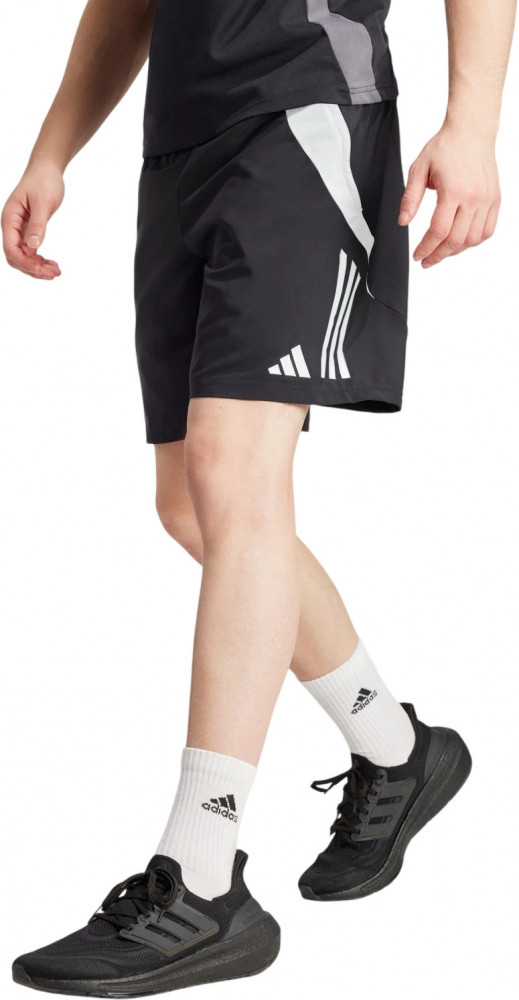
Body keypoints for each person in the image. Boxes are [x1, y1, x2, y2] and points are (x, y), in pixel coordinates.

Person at [3, 1, 515, 996]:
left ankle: (201, 876)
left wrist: (474, 123)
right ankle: (397, 749)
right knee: (192, 507)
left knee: (234, 475)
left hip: (304, 108)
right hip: (180, 141)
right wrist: (51, 151)